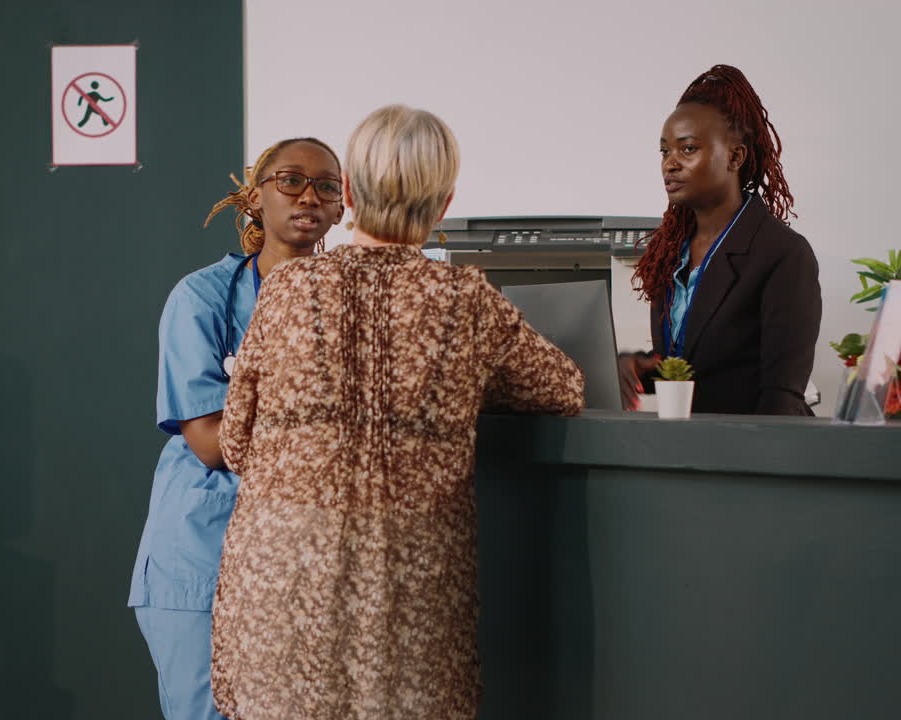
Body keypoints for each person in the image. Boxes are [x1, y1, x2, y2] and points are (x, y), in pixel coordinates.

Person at [211, 105, 584, 720]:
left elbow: (236, 443)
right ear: (444, 203)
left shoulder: (288, 288)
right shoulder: (467, 301)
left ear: (350, 193)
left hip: (283, 580)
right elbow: (563, 389)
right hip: (407, 587)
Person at [128, 138, 345, 720]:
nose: (310, 196)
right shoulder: (201, 299)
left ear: (343, 207)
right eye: (291, 180)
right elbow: (210, 441)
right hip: (205, 554)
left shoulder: (349, 302)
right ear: (255, 196)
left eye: (328, 186)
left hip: (302, 557)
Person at [619, 64, 821, 415]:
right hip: (685, 449)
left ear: (735, 156)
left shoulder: (783, 254)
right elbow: (698, 366)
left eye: (688, 149)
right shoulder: (671, 253)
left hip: (748, 454)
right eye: (665, 151)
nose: (670, 164)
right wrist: (633, 366)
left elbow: (781, 398)